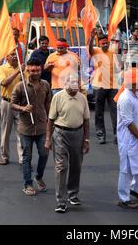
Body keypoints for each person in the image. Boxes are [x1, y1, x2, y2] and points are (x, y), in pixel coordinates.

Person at [45, 73, 90, 213]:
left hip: (78, 134)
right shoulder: (58, 97)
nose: (75, 86)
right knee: (61, 166)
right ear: (66, 84)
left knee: (76, 165)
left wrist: (86, 140)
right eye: (72, 83)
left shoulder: (82, 98)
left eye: (77, 83)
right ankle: (61, 201)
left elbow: (87, 120)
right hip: (60, 134)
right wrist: (48, 139)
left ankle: (73, 194)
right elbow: (50, 120)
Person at [11, 58, 52, 195]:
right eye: (33, 70)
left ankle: (38, 176)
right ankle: (27, 183)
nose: (35, 73)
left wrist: (51, 123)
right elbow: (12, 104)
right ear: (27, 70)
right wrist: (23, 108)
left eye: (38, 70)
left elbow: (48, 106)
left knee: (44, 154)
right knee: (27, 157)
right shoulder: (20, 86)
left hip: (41, 127)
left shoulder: (45, 85)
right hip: (26, 128)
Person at [117, 67, 138, 209]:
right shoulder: (125, 98)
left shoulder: (135, 94)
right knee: (127, 170)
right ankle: (123, 198)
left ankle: (135, 190)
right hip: (129, 141)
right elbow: (128, 123)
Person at [89, 30, 119, 144]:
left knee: (115, 111)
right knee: (99, 112)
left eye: (106, 43)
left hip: (112, 86)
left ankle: (117, 134)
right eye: (103, 43)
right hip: (99, 86)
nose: (105, 45)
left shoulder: (113, 53)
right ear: (99, 44)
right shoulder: (96, 51)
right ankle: (100, 134)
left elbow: (117, 68)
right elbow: (90, 50)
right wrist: (92, 38)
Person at [0, 51, 25, 165]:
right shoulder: (2, 68)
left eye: (16, 55)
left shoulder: (23, 68)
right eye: (12, 55)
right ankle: (5, 156)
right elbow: (4, 82)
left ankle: (23, 159)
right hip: (7, 103)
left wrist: (23, 74)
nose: (15, 57)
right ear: (7, 57)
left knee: (21, 132)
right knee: (5, 131)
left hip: (20, 104)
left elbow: (27, 84)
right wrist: (18, 72)